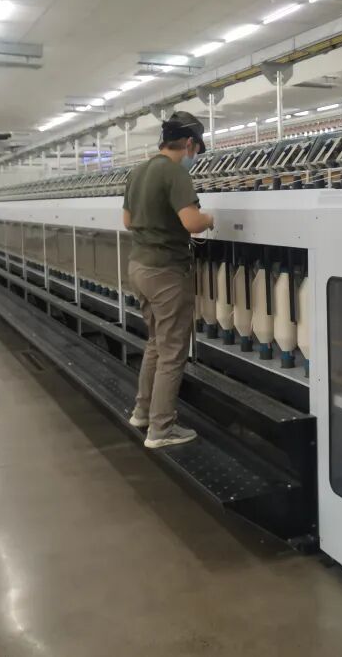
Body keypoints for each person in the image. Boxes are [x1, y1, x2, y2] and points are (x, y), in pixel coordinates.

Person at [123, 112, 215, 448]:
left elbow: (127, 221)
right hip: (166, 272)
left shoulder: (138, 171)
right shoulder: (175, 172)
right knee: (173, 351)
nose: (195, 155)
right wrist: (209, 218)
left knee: (155, 343)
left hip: (139, 266)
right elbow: (192, 222)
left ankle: (142, 412)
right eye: (197, 149)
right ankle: (161, 429)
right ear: (189, 143)